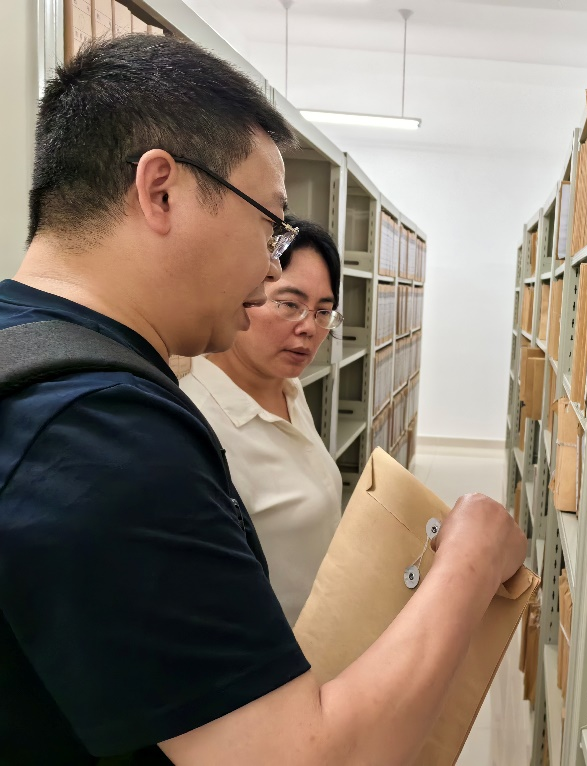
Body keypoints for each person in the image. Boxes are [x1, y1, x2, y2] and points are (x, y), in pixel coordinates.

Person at [0, 34, 525, 765]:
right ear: (161, 191)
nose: (268, 265)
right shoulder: (107, 439)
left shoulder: (25, 349)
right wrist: (471, 560)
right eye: (270, 225)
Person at [179, 217, 345, 626]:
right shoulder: (196, 420)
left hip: (325, 635)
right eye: (290, 304)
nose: (308, 328)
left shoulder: (290, 388)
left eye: (323, 312)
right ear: (246, 293)